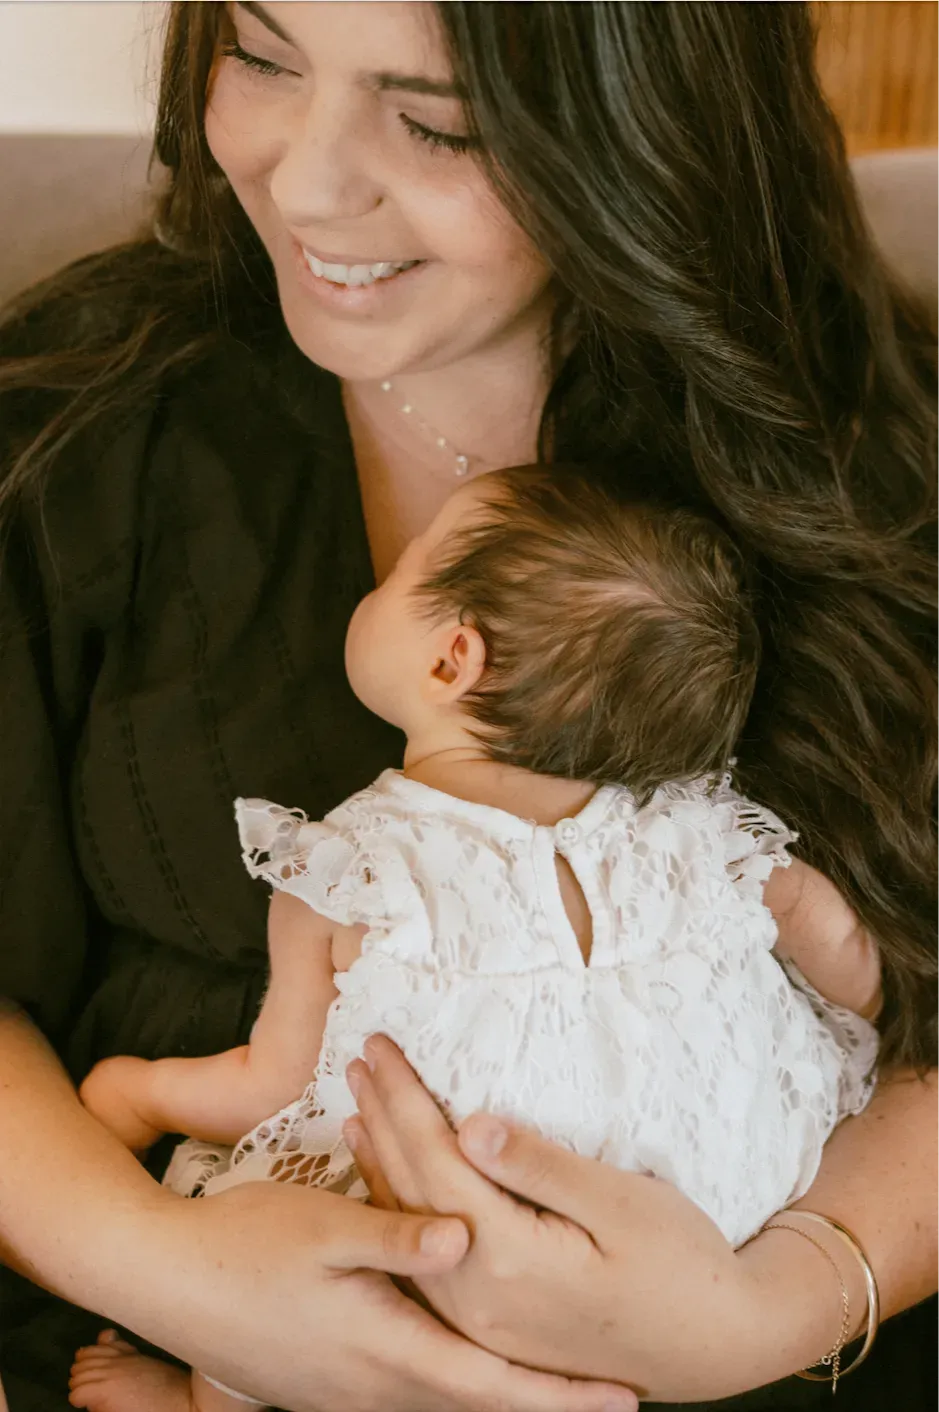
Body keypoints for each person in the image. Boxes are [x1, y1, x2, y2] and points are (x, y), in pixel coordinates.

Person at [0, 3, 937, 1410]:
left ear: (638, 123)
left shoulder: (877, 469)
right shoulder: (74, 424)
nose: (307, 181)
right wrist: (162, 1268)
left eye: (437, 122)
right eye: (260, 56)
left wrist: (768, 1306)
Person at [71, 468, 881, 1410]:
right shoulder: (690, 823)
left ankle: (200, 1402)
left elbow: (276, 1082)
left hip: (455, 1243)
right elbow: (828, 932)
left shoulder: (356, 874)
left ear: (450, 661)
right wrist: (866, 1001)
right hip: (706, 1224)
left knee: (262, 1267)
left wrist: (137, 1093)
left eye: (404, 571)